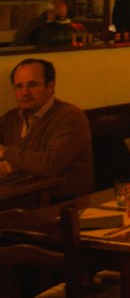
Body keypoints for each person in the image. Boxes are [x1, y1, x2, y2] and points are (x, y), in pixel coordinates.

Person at [0, 58, 94, 198]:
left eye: (32, 85)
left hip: (65, 201)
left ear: (51, 86)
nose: (24, 92)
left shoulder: (70, 117)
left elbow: (48, 164)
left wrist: (5, 153)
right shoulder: (11, 117)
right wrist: (8, 166)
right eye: (19, 86)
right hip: (22, 196)